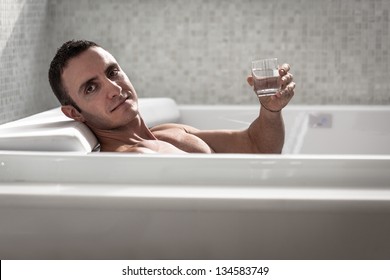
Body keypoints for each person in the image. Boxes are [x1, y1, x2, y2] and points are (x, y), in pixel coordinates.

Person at [48, 40, 295, 154]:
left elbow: (258, 147)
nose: (114, 89)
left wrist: (270, 110)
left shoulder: (169, 131)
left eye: (112, 72)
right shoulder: (132, 157)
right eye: (91, 88)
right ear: (74, 113)